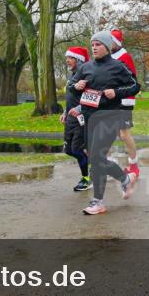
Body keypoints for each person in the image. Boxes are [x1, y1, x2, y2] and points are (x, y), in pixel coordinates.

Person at [69, 31, 140, 215]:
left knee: (97, 158)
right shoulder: (86, 67)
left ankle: (98, 202)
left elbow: (135, 86)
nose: (94, 47)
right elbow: (73, 88)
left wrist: (116, 92)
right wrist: (76, 87)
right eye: (92, 44)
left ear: (107, 47)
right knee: (96, 159)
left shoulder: (118, 66)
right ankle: (125, 180)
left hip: (110, 117)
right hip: (89, 117)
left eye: (98, 44)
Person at [110, 29, 140, 180]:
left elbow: (133, 81)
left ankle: (133, 165)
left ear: (117, 42)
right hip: (110, 101)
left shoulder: (124, 57)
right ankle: (109, 164)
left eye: (111, 41)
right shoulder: (107, 58)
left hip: (124, 100)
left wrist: (119, 92)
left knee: (124, 134)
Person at [61, 46, 91, 192]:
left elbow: (92, 96)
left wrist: (79, 109)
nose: (67, 60)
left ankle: (86, 178)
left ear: (79, 60)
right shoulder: (72, 76)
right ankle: (92, 162)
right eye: (67, 58)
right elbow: (70, 98)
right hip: (69, 119)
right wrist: (65, 112)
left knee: (77, 149)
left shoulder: (86, 76)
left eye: (71, 58)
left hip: (81, 119)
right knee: (68, 150)